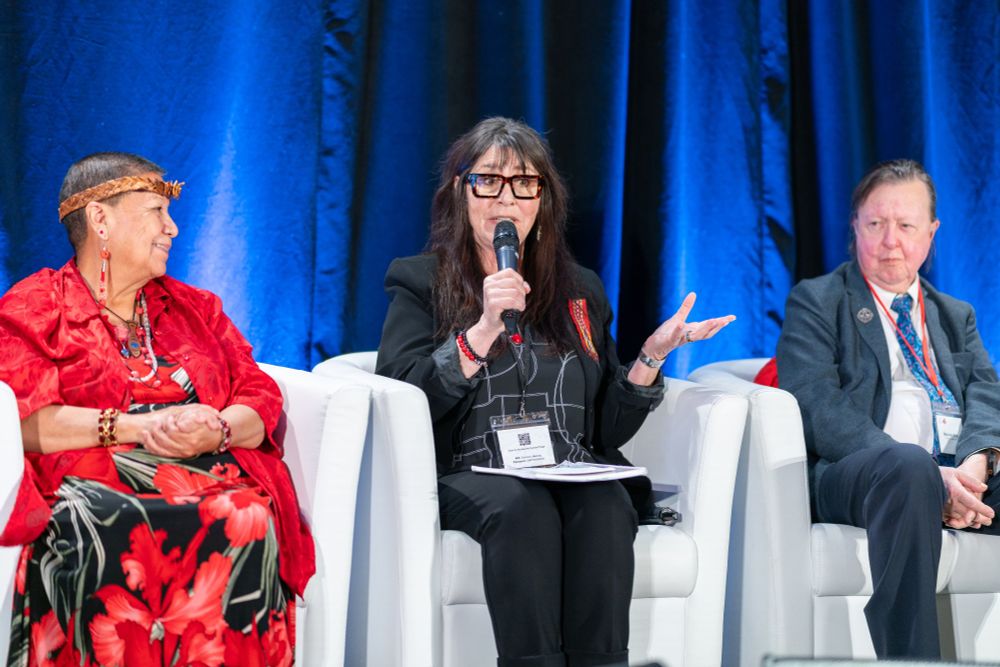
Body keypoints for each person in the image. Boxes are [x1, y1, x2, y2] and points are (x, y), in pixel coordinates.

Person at [376, 117, 734, 667]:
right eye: (488, 180)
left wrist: (650, 358)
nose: (507, 198)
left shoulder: (579, 291)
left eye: (525, 183)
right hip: (466, 470)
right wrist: (482, 329)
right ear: (459, 191)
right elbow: (402, 398)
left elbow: (604, 429)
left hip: (566, 465)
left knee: (607, 503)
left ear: (542, 200)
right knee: (521, 507)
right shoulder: (421, 281)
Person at [0, 152, 314, 666]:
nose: (172, 228)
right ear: (101, 219)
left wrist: (216, 430)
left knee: (249, 513)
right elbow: (23, 420)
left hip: (208, 470)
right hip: (92, 484)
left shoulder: (195, 308)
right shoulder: (37, 306)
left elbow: (260, 397)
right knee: (100, 520)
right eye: (155, 212)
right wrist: (137, 428)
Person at [776, 159, 1000, 659]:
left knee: (943, 468)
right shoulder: (817, 301)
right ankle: (910, 659)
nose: (889, 241)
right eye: (875, 224)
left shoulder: (953, 314)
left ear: (931, 232)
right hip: (862, 472)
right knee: (910, 467)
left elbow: (987, 393)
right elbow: (814, 403)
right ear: (855, 226)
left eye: (905, 226)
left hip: (955, 469)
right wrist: (927, 473)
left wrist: (974, 465)